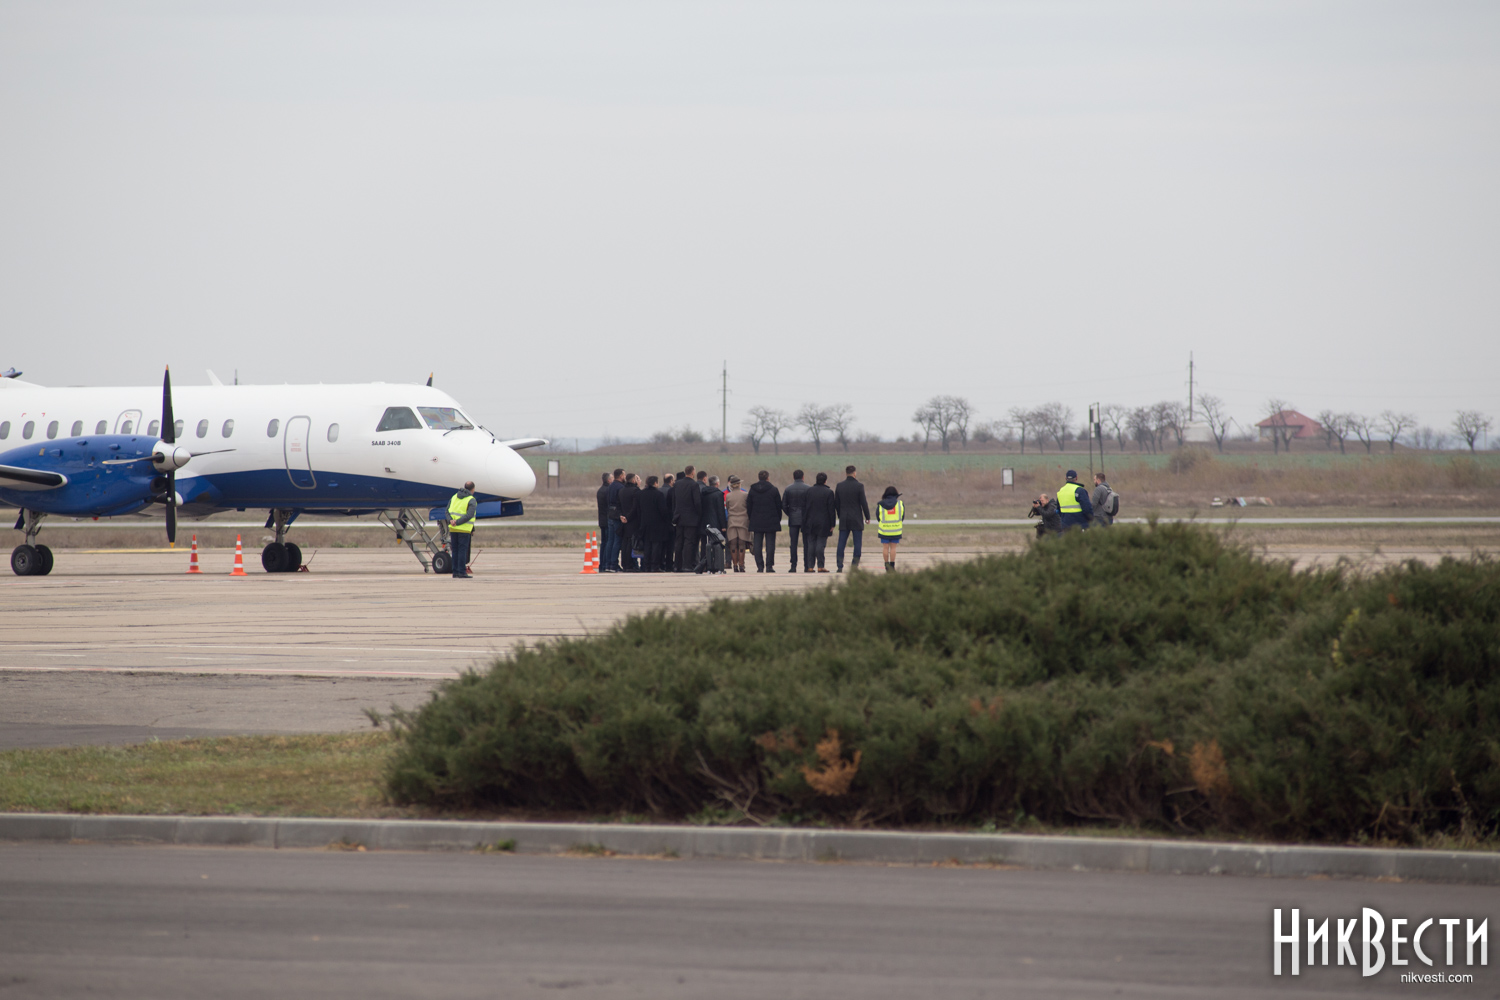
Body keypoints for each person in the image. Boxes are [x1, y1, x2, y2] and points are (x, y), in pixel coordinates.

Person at [834, 465, 870, 572]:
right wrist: (867, 516)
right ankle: (854, 566)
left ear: (846, 473)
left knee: (841, 543)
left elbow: (836, 503)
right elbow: (863, 502)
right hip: (856, 518)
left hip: (844, 518)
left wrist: (840, 515)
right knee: (857, 543)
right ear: (855, 473)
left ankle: (839, 566)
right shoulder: (859, 486)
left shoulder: (839, 486)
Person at [746, 470, 783, 572]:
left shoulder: (752, 490)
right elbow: (779, 506)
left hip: (756, 521)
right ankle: (769, 566)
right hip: (771, 521)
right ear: (768, 478)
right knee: (770, 545)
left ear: (758, 478)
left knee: (757, 545)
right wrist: (778, 519)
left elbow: (749, 506)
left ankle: (760, 566)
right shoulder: (774, 490)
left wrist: (751, 518)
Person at [803, 472, 837, 573]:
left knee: (811, 544)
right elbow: (831, 509)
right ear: (825, 481)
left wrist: (804, 522)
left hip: (810, 522)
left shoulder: (809, 491)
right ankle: (820, 566)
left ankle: (810, 566)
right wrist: (832, 523)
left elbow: (805, 508)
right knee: (820, 545)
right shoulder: (829, 492)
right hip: (824, 523)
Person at [638, 475, 672, 571]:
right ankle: (655, 566)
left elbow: (638, 509)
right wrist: (667, 521)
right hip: (657, 524)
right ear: (655, 483)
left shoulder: (641, 494)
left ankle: (646, 566)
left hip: (645, 523)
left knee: (647, 545)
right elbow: (663, 510)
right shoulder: (658, 494)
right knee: (656, 546)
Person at [671, 468, 702, 572]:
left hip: (678, 517)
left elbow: (674, 501)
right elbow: (697, 502)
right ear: (693, 472)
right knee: (689, 541)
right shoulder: (694, 485)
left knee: (679, 541)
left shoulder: (677, 484)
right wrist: (699, 514)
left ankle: (677, 565)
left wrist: (675, 514)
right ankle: (687, 565)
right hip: (691, 518)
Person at [445, 480, 477, 578]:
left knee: (455, 550)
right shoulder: (471, 499)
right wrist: (457, 522)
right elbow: (469, 515)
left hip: (453, 529)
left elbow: (447, 511)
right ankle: (462, 572)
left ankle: (455, 572)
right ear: (473, 489)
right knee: (462, 550)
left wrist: (451, 521)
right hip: (464, 529)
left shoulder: (454, 497)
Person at [782, 469, 809, 572]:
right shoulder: (808, 489)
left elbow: (784, 505)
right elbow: (810, 504)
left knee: (793, 543)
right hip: (805, 519)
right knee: (806, 543)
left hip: (793, 519)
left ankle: (793, 566)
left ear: (793, 477)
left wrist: (790, 514)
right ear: (803, 477)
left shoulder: (788, 489)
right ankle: (807, 565)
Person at [724, 475, 752, 572]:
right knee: (741, 544)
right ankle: (741, 565)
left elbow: (728, 508)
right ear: (739, 484)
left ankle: (735, 565)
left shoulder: (728, 496)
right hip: (743, 521)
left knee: (733, 544)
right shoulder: (745, 495)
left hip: (732, 521)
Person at [875, 486, 904, 572]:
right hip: (896, 530)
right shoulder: (900, 504)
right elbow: (902, 517)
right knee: (893, 548)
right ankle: (892, 566)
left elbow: (878, 517)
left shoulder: (881, 504)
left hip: (884, 530)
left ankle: (886, 565)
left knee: (885, 548)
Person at [602, 468, 625, 571]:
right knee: (617, 540)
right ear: (621, 476)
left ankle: (607, 564)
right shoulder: (621, 487)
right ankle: (614, 564)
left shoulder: (610, 486)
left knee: (610, 541)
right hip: (617, 516)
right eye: (624, 475)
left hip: (610, 514)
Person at [618, 473, 641, 571]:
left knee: (625, 542)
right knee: (632, 543)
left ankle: (625, 564)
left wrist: (621, 516)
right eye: (638, 479)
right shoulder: (636, 491)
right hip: (633, 520)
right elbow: (635, 507)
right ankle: (631, 564)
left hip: (624, 520)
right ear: (634, 481)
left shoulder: (621, 490)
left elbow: (618, 505)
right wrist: (628, 517)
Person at [595, 472, 611, 553]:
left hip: (601, 519)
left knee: (603, 542)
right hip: (607, 519)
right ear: (608, 480)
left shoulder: (600, 490)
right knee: (608, 541)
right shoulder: (608, 491)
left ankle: (602, 560)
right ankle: (606, 559)